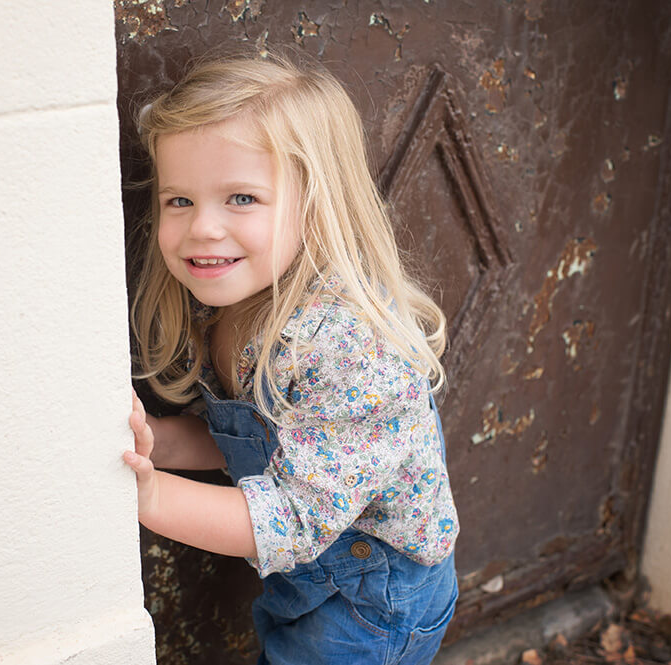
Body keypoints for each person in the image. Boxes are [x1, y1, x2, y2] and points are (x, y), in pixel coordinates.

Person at [122, 49, 460, 665]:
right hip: (310, 579)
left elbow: (292, 516)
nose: (203, 228)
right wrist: (162, 446)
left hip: (371, 604)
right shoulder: (235, 301)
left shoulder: (350, 347)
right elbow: (266, 446)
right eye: (180, 201)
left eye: (242, 198)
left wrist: (149, 498)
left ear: (317, 203)